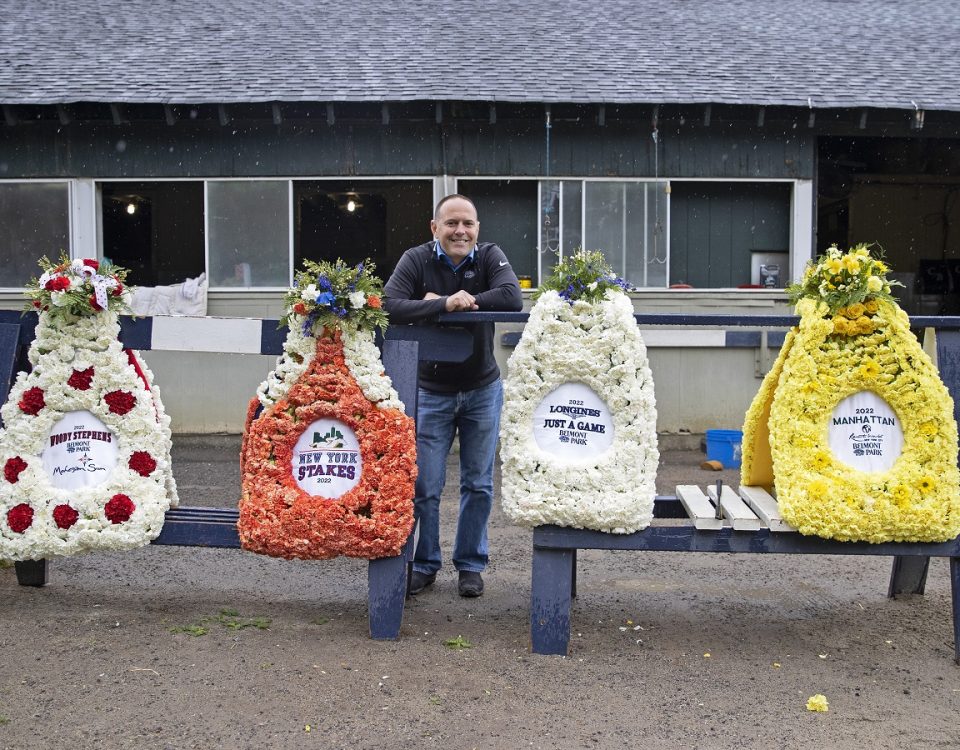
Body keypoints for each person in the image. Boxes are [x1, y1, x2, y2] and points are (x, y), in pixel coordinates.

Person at [384, 194, 523, 597]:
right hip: (431, 392)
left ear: (477, 229)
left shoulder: (490, 256)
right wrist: (444, 302)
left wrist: (466, 301)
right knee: (424, 485)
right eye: (451, 223)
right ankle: (424, 563)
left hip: (482, 388)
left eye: (468, 223)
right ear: (435, 228)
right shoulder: (416, 259)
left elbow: (512, 297)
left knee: (478, 484)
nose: (460, 231)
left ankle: (470, 565)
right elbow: (389, 305)